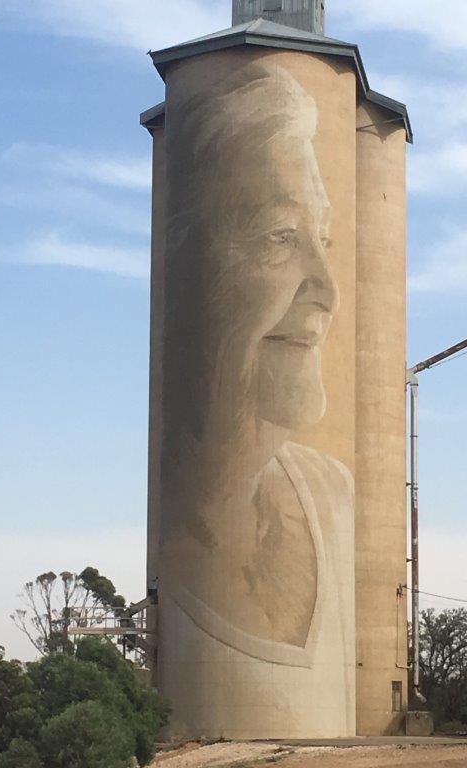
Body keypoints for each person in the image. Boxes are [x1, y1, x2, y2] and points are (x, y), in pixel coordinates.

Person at [157, 57, 355, 736]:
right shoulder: (177, 546)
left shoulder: (330, 494)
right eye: (280, 237)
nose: (328, 291)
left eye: (323, 239)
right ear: (192, 267)